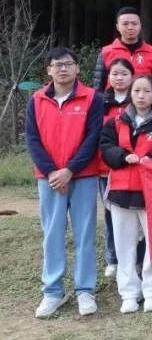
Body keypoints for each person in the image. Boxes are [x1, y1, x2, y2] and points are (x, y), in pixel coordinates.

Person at [26, 48, 104, 318]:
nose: (63, 69)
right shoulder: (36, 100)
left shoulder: (92, 98)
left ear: (77, 68)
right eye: (57, 65)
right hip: (49, 179)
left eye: (68, 64)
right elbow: (32, 140)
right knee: (52, 234)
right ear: (48, 70)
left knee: (84, 234)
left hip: (82, 176)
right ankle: (53, 291)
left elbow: (93, 137)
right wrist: (52, 172)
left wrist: (70, 170)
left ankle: (85, 290)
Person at [99, 75, 152, 314]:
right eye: (137, 91)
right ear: (130, 93)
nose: (141, 96)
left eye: (147, 91)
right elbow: (106, 147)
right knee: (124, 245)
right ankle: (129, 292)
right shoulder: (116, 122)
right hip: (121, 189)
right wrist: (122, 156)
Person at [92, 7, 152, 115]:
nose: (130, 27)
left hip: (144, 110)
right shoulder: (106, 52)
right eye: (125, 24)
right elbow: (98, 87)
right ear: (118, 27)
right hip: (113, 109)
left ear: (140, 26)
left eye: (134, 24)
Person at [99, 59, 135, 279]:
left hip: (134, 167)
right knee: (110, 213)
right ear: (108, 77)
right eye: (115, 74)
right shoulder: (99, 102)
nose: (119, 78)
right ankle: (112, 258)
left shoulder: (140, 98)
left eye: (124, 74)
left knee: (133, 215)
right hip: (107, 167)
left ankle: (135, 259)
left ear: (132, 76)